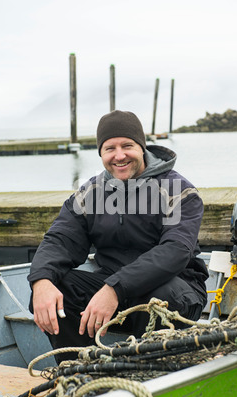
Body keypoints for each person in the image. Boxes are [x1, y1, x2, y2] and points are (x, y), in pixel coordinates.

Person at [28, 110, 208, 363]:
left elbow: (176, 250)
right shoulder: (91, 192)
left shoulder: (178, 190)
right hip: (112, 283)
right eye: (109, 148)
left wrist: (114, 288)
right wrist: (41, 280)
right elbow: (60, 238)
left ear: (142, 148)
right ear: (101, 154)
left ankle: (149, 375)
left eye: (127, 145)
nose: (119, 155)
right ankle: (83, 372)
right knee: (56, 288)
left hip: (177, 287)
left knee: (159, 298)